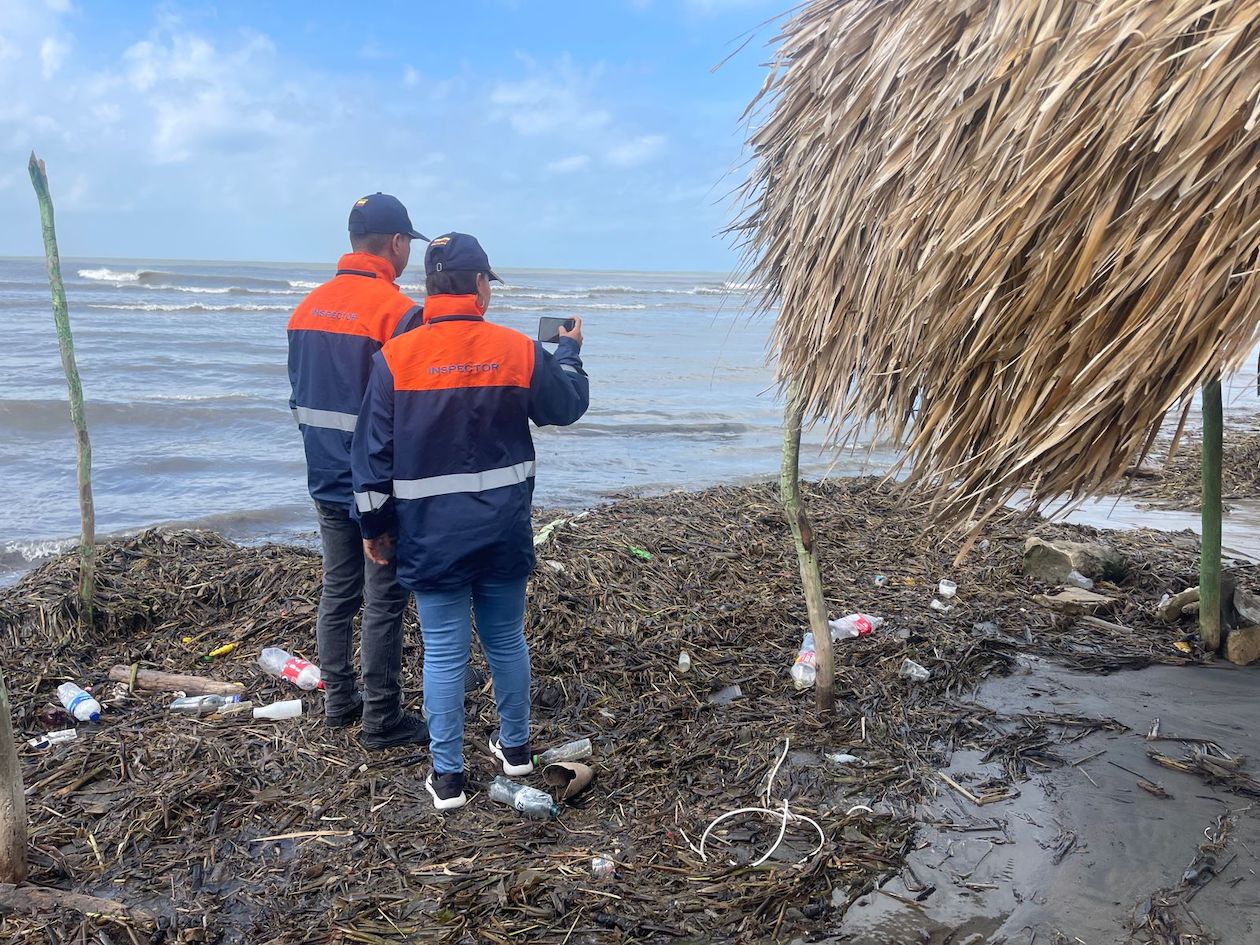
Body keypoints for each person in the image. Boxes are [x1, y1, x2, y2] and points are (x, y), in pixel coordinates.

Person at [351, 232, 589, 810]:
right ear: (480, 285)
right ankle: (516, 751)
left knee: (444, 651)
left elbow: (371, 457)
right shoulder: (515, 349)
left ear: (430, 287)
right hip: (503, 525)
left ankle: (449, 778)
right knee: (506, 639)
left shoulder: (395, 359)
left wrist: (374, 529)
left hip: (430, 533)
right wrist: (570, 352)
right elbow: (566, 407)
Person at [286, 193, 429, 749]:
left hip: (323, 474)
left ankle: (338, 704)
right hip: (378, 485)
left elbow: (300, 397)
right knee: (384, 598)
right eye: (407, 246)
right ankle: (382, 718)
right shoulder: (399, 313)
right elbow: (407, 408)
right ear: (396, 244)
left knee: (338, 591)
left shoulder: (305, 309)